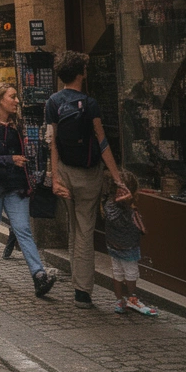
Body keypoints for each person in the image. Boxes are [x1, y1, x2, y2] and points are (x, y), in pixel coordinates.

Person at [47, 50, 128, 309]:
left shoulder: (53, 102)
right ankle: (82, 292)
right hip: (88, 175)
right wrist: (117, 178)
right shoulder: (89, 103)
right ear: (81, 73)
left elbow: (52, 143)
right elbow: (102, 143)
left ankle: (77, 282)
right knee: (84, 230)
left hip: (64, 172)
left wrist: (55, 178)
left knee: (74, 227)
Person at [0, 82, 58, 300]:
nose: (17, 101)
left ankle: (39, 275)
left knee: (23, 229)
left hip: (15, 186)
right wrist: (9, 159)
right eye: (12, 97)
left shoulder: (16, 124)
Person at [103, 170, 156, 316]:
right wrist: (129, 205)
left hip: (113, 244)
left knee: (118, 272)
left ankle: (119, 300)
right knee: (130, 272)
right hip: (128, 245)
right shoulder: (127, 209)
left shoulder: (109, 204)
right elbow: (142, 229)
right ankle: (132, 298)